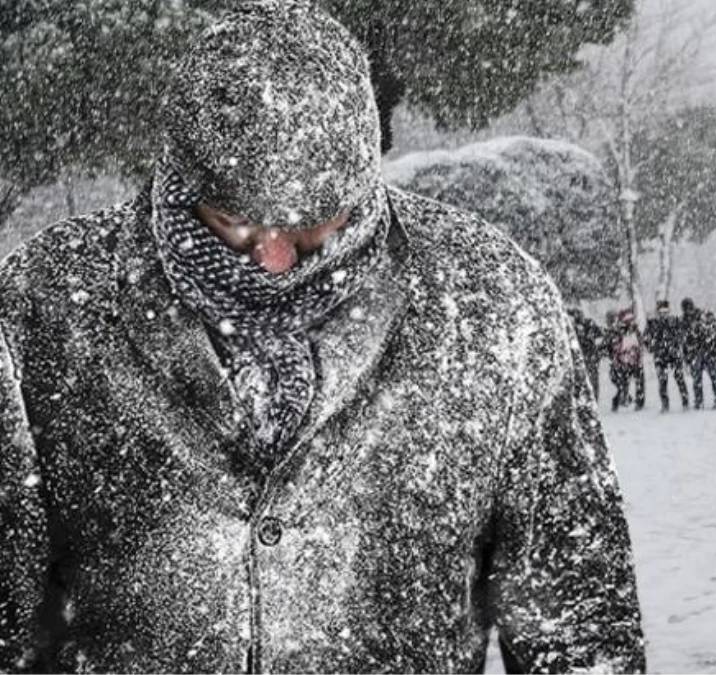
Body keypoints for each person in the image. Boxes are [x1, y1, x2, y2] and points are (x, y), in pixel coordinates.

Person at [0, 4, 645, 672]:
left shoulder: (493, 300)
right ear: (178, 181)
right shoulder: (45, 305)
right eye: (234, 222)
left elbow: (578, 622)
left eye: (315, 224)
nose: (275, 259)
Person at [644, 300, 689, 412]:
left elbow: (683, 335)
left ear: (669, 311)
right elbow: (646, 339)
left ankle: (685, 402)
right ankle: (665, 405)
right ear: (658, 312)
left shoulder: (675, 321)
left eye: (666, 312)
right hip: (660, 356)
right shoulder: (652, 323)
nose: (664, 314)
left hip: (674, 355)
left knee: (679, 378)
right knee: (662, 381)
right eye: (661, 312)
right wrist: (652, 347)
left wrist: (677, 343)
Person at [680, 297, 716, 409]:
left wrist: (715, 349)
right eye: (686, 309)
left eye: (689, 308)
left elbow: (715, 331)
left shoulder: (702, 316)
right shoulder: (684, 321)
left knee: (712, 377)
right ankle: (700, 401)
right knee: (698, 379)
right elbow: (683, 341)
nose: (688, 311)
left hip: (706, 351)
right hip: (696, 353)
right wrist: (687, 358)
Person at [609, 308, 646, 412]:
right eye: (628, 321)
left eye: (631, 320)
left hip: (635, 361)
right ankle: (618, 401)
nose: (630, 322)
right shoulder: (618, 332)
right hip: (624, 362)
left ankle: (639, 403)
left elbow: (641, 344)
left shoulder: (636, 330)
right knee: (623, 385)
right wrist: (619, 358)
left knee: (639, 382)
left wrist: (638, 353)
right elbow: (615, 348)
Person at [568, 307, 607, 401]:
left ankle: (590, 400)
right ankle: (590, 400)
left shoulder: (585, 325)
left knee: (587, 381)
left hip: (585, 357)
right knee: (587, 381)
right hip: (586, 358)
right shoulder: (582, 325)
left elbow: (601, 333)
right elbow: (602, 333)